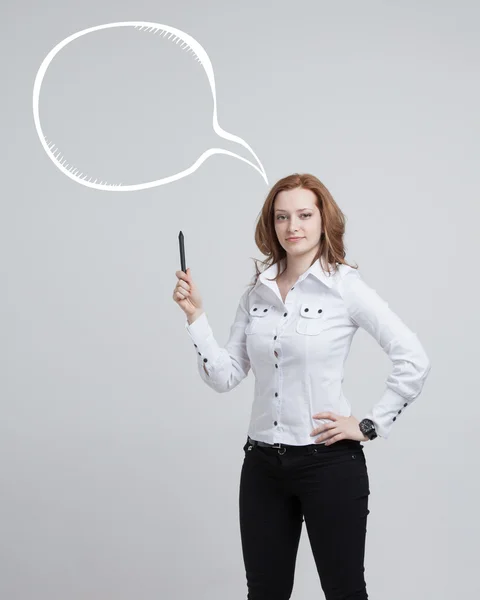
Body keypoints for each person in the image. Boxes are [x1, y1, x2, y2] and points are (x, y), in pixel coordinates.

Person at [173, 173, 431, 600]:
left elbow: (413, 358)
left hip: (328, 466)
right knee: (265, 593)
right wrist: (196, 317)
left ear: (323, 219)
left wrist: (369, 424)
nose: (293, 226)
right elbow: (225, 376)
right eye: (282, 216)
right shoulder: (256, 294)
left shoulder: (345, 288)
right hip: (262, 468)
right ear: (271, 225)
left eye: (304, 215)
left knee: (344, 592)